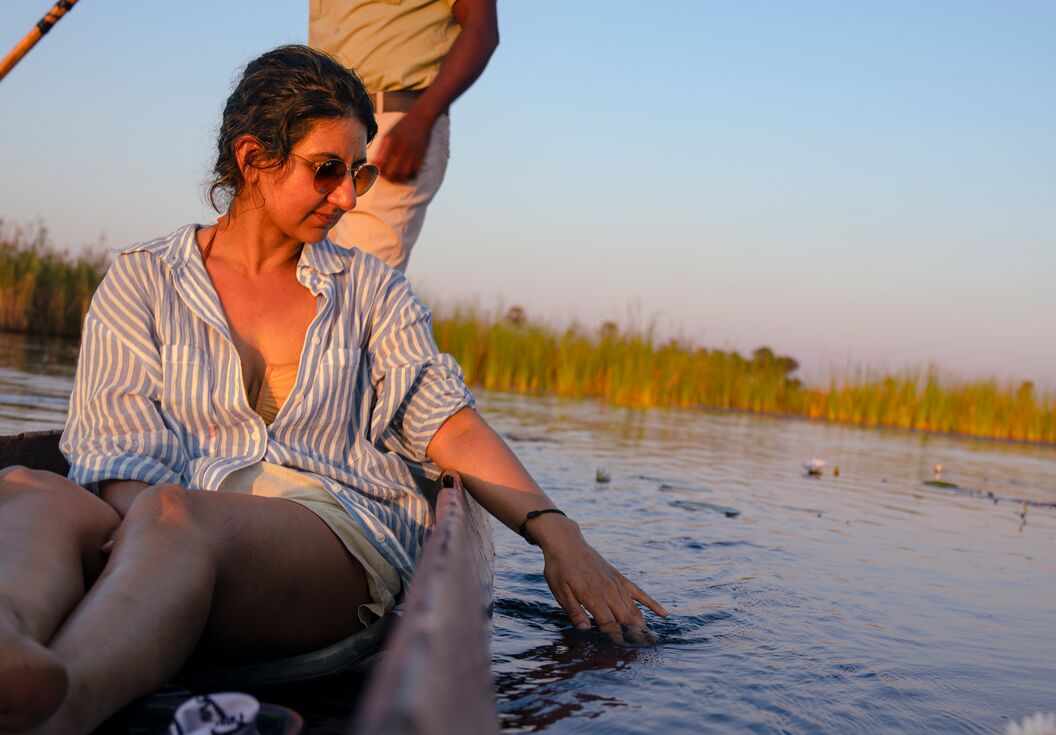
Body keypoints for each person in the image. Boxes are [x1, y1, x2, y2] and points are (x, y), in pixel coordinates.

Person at [0, 45, 664, 734]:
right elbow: (115, 448)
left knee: (176, 518)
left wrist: (560, 536)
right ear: (254, 159)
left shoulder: (371, 291)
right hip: (155, 525)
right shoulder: (143, 279)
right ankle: (11, 644)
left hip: (324, 530)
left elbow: (449, 425)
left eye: (358, 174)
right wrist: (138, 538)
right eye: (327, 171)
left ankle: (63, 704)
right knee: (28, 486)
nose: (347, 197)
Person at [309, 0, 499, 272]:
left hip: (392, 123)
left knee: (358, 284)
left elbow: (482, 29)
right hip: (322, 123)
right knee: (306, 278)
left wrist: (421, 118)